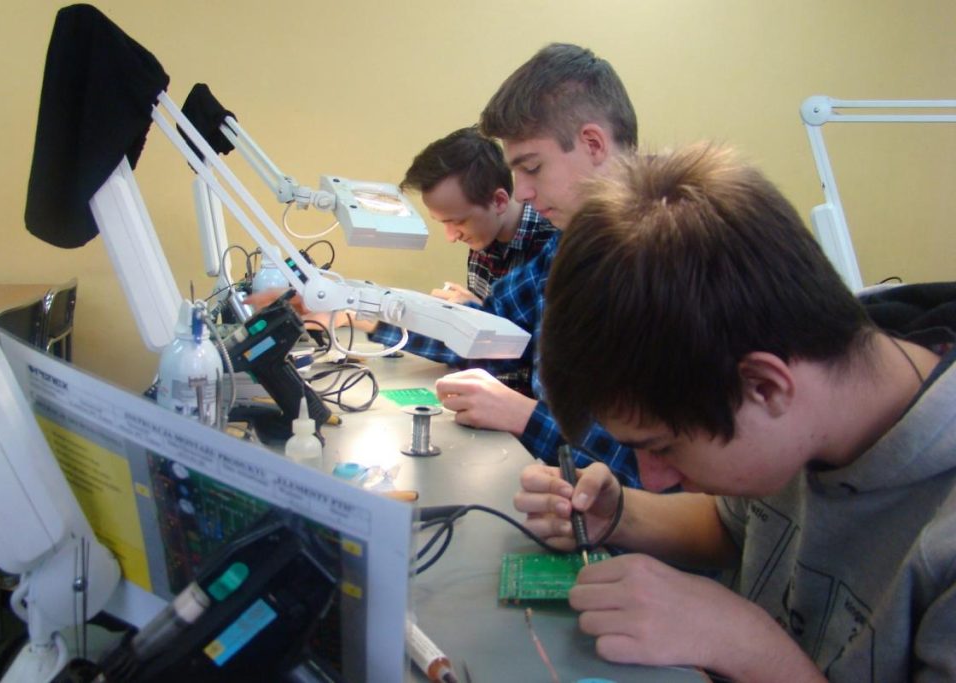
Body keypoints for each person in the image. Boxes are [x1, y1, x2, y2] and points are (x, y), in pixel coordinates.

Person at [515, 143, 956, 681]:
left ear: (766, 387)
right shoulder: (812, 374)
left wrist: (746, 646)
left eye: (663, 447)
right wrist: (623, 515)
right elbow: (738, 524)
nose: (653, 477)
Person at [368, 43, 640, 479]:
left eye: (532, 167)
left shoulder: (666, 263)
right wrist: (363, 309)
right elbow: (486, 330)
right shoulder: (567, 245)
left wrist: (523, 416)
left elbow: (658, 473)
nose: (522, 193)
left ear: (592, 143)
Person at [400, 126, 557, 306]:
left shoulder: (554, 243)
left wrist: (481, 313)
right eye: (443, 222)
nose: (451, 237)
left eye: (458, 222)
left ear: (498, 201)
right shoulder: (484, 235)